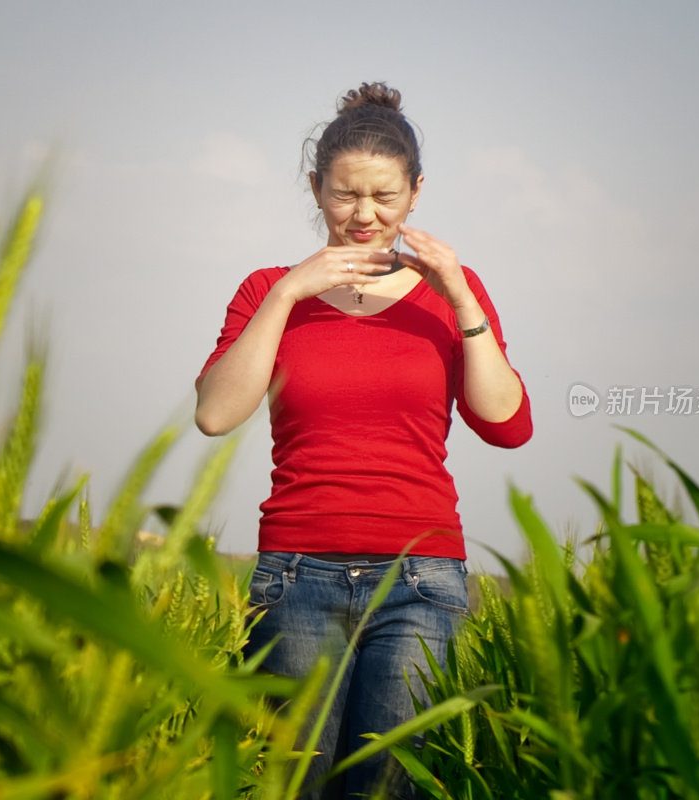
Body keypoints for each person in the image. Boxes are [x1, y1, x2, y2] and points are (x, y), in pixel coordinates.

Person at [195, 82, 533, 799]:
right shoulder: (265, 290)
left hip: (420, 578)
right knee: (293, 782)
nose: (365, 215)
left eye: (384, 196)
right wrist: (290, 293)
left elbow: (507, 426)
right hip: (295, 577)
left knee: (388, 786)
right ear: (316, 190)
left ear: (416, 193)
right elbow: (216, 415)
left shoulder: (452, 291)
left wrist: (463, 298)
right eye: (346, 195)